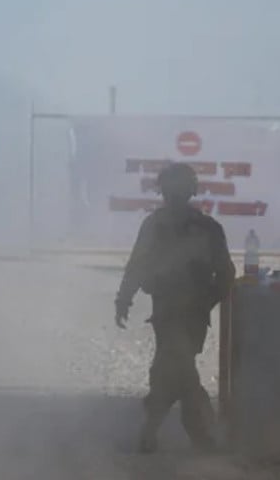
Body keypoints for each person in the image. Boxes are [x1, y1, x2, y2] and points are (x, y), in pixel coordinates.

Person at [114, 162, 235, 454]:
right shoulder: (202, 227)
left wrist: (125, 298)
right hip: (178, 313)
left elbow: (226, 274)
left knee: (172, 370)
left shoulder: (170, 226)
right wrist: (125, 297)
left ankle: (164, 432)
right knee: (176, 369)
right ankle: (196, 434)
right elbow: (226, 275)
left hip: (180, 313)